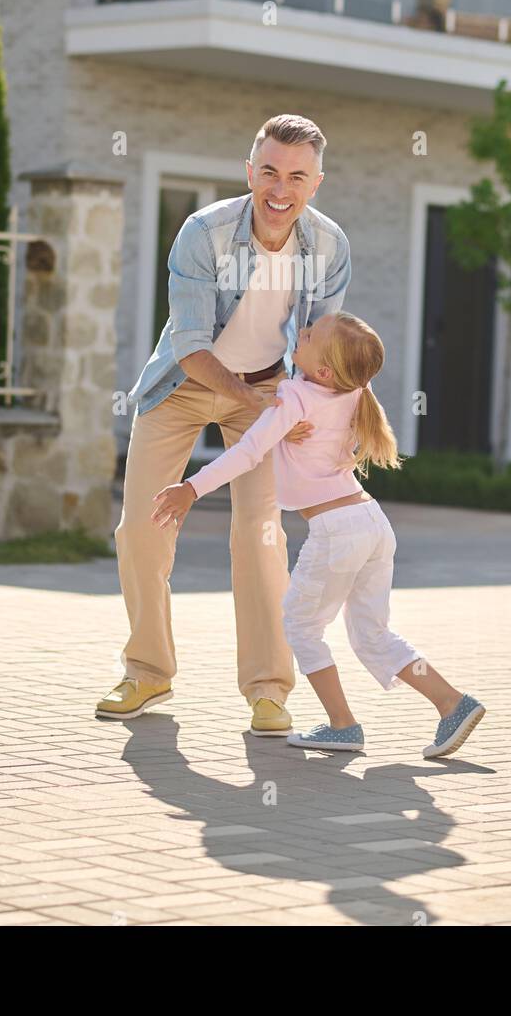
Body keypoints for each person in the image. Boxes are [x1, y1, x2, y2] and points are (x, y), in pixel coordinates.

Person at [96, 114, 352, 737]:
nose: (280, 189)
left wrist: (302, 415)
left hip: (266, 389)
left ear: (316, 182)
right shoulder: (203, 233)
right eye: (268, 171)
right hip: (185, 385)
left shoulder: (328, 247)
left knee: (261, 536)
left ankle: (268, 688)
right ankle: (148, 670)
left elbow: (323, 352)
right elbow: (188, 344)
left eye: (296, 176)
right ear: (249, 172)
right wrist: (249, 397)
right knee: (142, 527)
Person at [152, 311, 487, 758]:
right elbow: (322, 373)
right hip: (370, 522)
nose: (300, 333)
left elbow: (249, 452)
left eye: (309, 336)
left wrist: (190, 488)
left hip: (337, 532)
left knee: (300, 625)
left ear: (324, 370)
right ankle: (452, 703)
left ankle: (342, 725)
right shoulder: (353, 391)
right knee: (372, 635)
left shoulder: (293, 396)